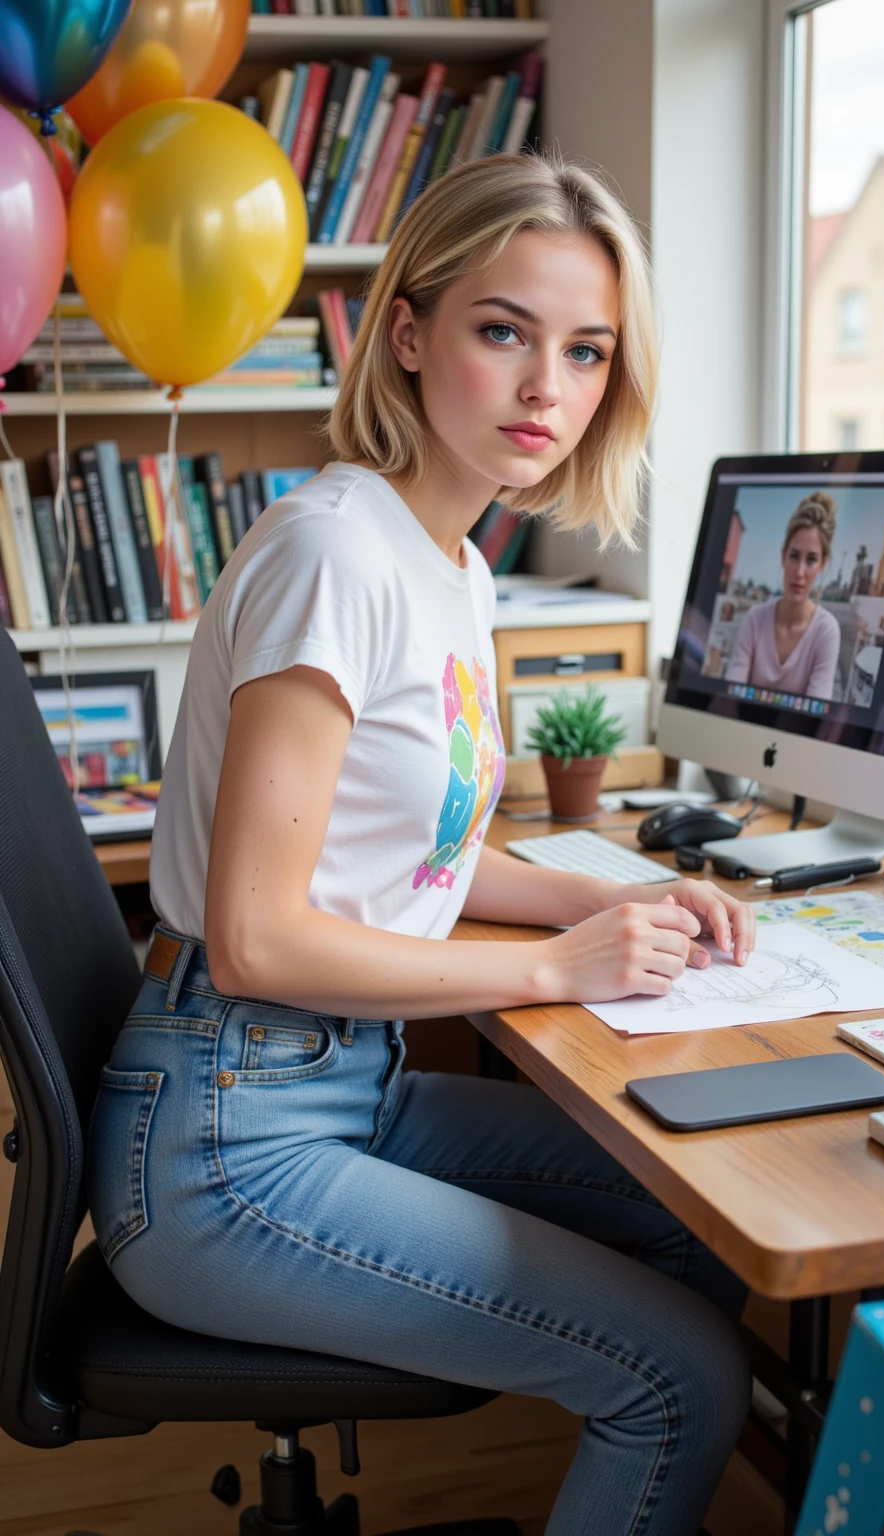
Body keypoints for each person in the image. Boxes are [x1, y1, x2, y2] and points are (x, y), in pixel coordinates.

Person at [87, 153, 754, 1536]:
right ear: (408, 333)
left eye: (586, 351)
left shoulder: (450, 565)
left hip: (339, 1086)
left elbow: (413, 860)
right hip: (228, 1145)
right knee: (679, 1378)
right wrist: (556, 968)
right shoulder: (335, 553)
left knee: (704, 1231)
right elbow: (264, 931)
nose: (545, 390)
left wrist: (606, 896)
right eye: (502, 330)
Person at [725, 492, 842, 699]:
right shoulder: (754, 619)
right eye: (794, 556)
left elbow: (815, 717)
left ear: (823, 564)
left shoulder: (826, 631)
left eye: (812, 560)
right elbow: (730, 697)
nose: (799, 572)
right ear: (783, 556)